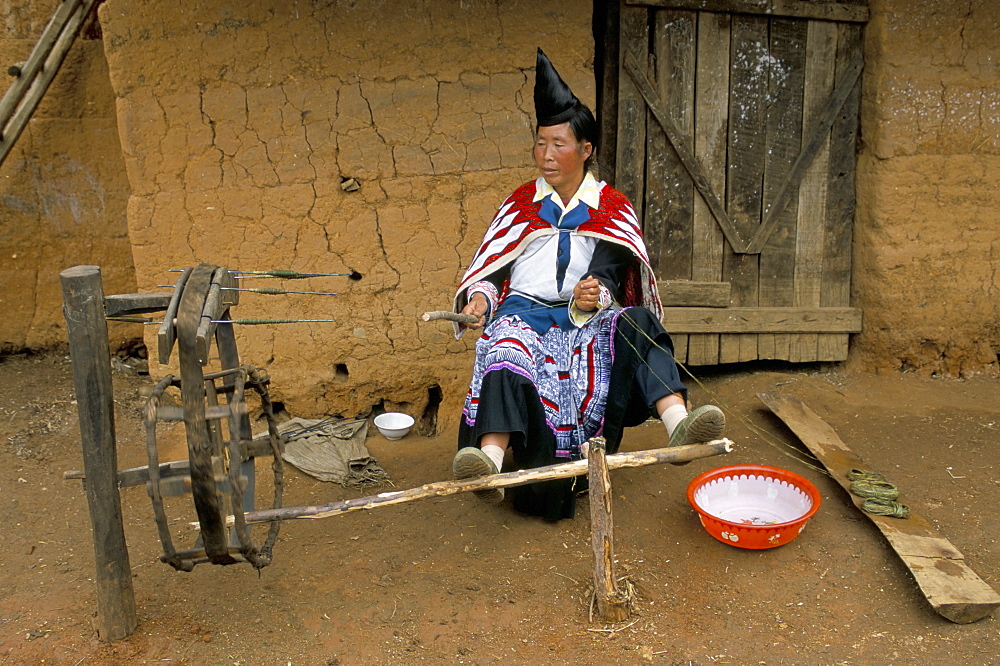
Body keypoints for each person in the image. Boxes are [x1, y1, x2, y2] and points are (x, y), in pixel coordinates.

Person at [450, 49, 725, 521]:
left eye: (558, 144)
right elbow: (494, 269)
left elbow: (615, 274)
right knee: (505, 345)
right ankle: (488, 461)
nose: (546, 155)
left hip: (584, 319)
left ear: (585, 149)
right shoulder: (518, 204)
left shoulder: (611, 206)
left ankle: (679, 422)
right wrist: (479, 299)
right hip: (525, 312)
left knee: (636, 324)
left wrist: (593, 291)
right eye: (540, 144)